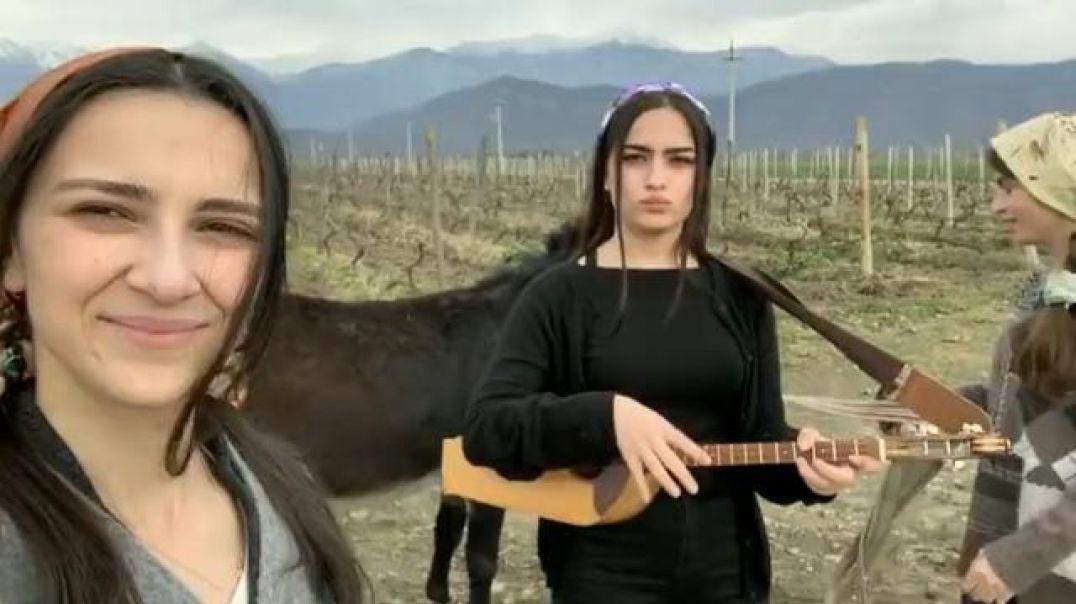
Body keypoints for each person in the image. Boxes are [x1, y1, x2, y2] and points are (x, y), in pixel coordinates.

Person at [461, 81, 879, 604]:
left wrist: (809, 475)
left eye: (679, 161)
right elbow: (488, 430)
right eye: (637, 158)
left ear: (700, 178)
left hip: (728, 572)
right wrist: (606, 417)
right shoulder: (559, 295)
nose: (656, 179)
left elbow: (759, 437)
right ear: (607, 175)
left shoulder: (739, 294)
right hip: (600, 574)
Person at [0, 48, 369, 603]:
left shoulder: (281, 486)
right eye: (105, 212)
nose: (169, 280)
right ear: (11, 251)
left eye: (222, 225)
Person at [959, 112, 1076, 604]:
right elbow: (1043, 407)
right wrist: (946, 406)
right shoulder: (1047, 295)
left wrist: (1022, 556)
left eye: (1010, 187)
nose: (997, 204)